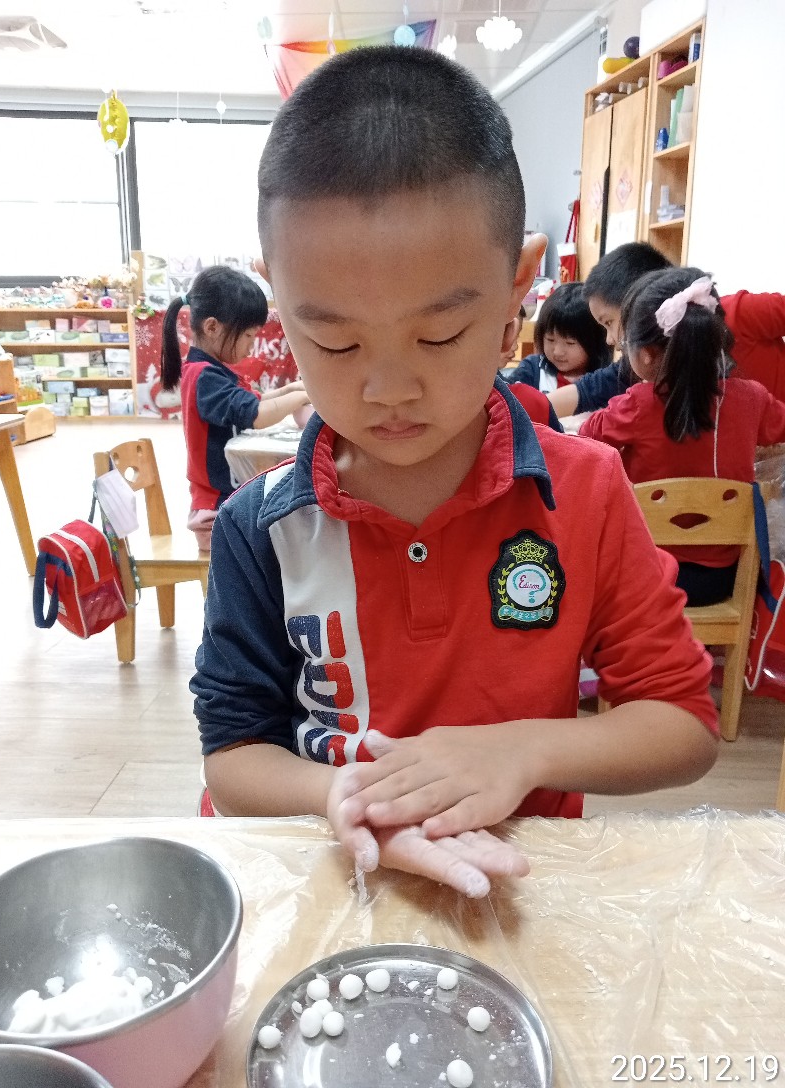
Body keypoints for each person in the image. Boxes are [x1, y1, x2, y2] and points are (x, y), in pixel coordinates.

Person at [191, 46, 718, 898]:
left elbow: (683, 724)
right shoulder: (261, 527)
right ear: (278, 297)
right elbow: (232, 756)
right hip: (341, 884)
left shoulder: (585, 490)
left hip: (519, 892)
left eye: (439, 336)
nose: (389, 389)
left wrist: (523, 749)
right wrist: (347, 799)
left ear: (518, 287)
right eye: (335, 342)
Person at [580, 267, 785, 606]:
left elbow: (589, 436)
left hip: (647, 572)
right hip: (721, 579)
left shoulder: (637, 404)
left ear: (645, 354)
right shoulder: (752, 398)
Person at [160, 265, 310, 551]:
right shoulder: (205, 377)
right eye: (249, 336)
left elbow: (254, 400)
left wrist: (293, 390)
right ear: (212, 327)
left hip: (222, 502)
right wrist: (306, 395)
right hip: (214, 515)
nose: (251, 347)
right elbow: (256, 415)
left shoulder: (208, 370)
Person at [548, 243, 672, 419]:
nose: (609, 340)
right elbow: (590, 389)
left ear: (641, 306)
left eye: (609, 322)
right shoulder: (633, 366)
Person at [504, 282, 611, 393]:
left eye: (570, 343)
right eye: (550, 340)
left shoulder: (605, 380)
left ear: (595, 341)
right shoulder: (532, 369)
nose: (557, 352)